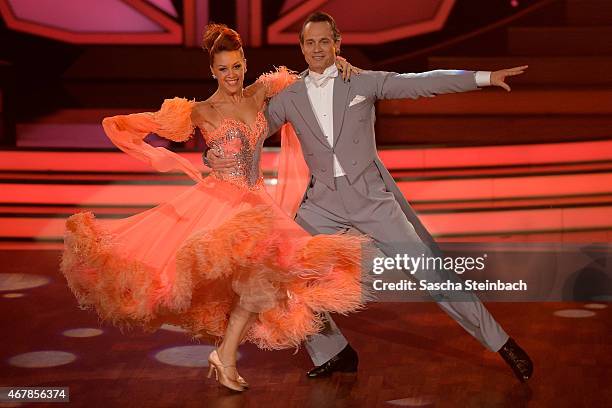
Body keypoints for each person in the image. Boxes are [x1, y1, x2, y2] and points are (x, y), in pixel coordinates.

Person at [205, 12, 533, 383]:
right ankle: (335, 351)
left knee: (431, 272)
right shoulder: (290, 96)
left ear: (336, 43)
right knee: (281, 273)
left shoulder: (361, 81)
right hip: (322, 204)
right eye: (309, 42)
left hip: (372, 200)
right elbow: (249, 135)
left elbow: (419, 84)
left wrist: (484, 78)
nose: (317, 49)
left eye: (324, 41)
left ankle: (502, 343)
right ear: (301, 48)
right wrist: (213, 154)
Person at [61, 23, 369, 392]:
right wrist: (201, 158)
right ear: (212, 72)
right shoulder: (202, 111)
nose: (232, 75)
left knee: (268, 283)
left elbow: (310, 78)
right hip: (223, 204)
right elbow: (141, 126)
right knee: (253, 285)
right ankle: (227, 355)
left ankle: (227, 354)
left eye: (236, 66)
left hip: (257, 201)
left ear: (245, 63)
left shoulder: (261, 92)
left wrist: (340, 65)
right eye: (223, 69)